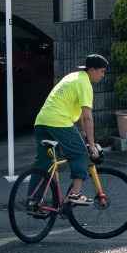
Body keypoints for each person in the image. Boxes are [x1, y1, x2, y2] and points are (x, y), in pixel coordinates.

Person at [33, 53, 107, 205]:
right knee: (80, 153)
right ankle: (75, 194)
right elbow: (87, 117)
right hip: (59, 121)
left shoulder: (73, 77)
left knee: (45, 163)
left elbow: (79, 115)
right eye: (102, 71)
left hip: (41, 121)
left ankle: (34, 201)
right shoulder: (85, 83)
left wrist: (85, 135)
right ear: (92, 70)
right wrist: (91, 145)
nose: (103, 75)